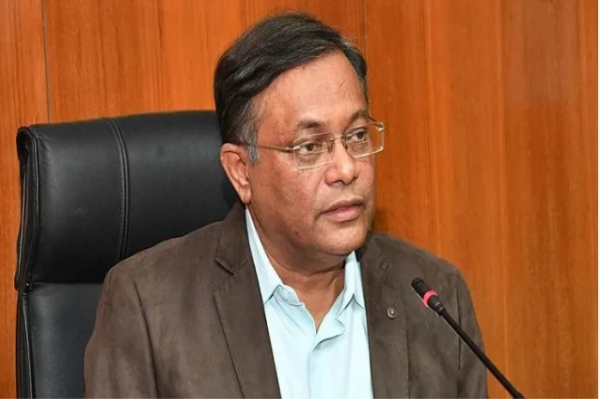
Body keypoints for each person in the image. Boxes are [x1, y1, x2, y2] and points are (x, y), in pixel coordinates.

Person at [84, 12, 487, 399]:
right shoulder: (149, 308)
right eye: (309, 146)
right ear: (241, 171)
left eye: (357, 135)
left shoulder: (435, 298)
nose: (347, 168)